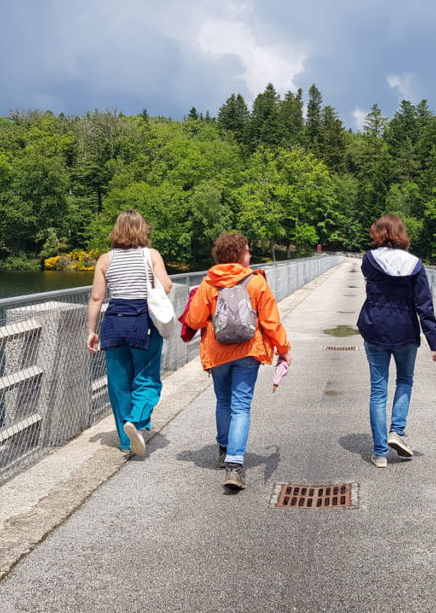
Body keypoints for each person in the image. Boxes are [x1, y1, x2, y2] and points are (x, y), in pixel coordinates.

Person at [183, 232, 292, 491]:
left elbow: (194, 320)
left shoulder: (209, 283)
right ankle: (235, 464)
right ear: (240, 254)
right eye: (248, 250)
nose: (251, 253)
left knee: (223, 402)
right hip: (247, 351)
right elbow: (271, 321)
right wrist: (284, 349)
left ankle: (223, 450)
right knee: (241, 406)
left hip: (218, 352)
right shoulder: (256, 282)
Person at [357, 214, 436, 468]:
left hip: (375, 328)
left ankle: (380, 452)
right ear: (402, 233)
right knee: (404, 380)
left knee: (378, 390)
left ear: (378, 232)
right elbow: (424, 305)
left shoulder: (369, 260)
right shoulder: (415, 264)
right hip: (405, 329)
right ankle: (398, 431)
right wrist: (435, 341)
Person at [86, 209, 173, 455]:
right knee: (146, 377)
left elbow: (96, 297)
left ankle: (126, 441)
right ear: (142, 229)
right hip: (142, 321)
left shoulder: (105, 259)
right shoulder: (151, 255)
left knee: (118, 383)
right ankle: (135, 421)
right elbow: (165, 286)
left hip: (113, 322)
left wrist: (92, 331)